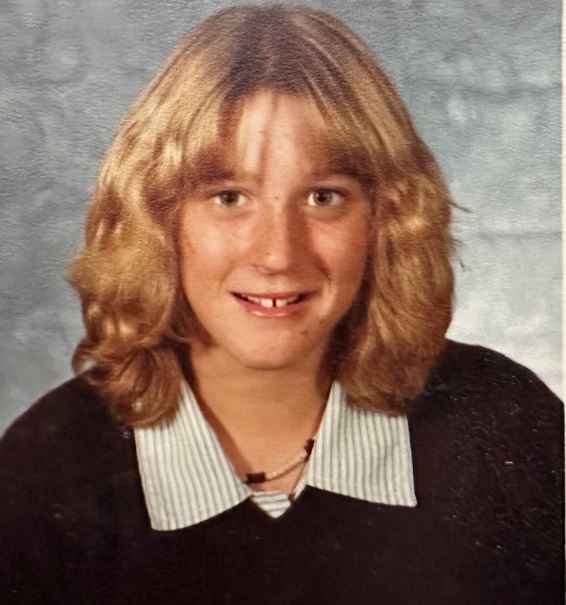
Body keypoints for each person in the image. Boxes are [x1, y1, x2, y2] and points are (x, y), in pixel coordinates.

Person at [0, 4, 562, 604]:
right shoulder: (44, 472)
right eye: (228, 196)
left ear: (386, 219)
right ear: (159, 218)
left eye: (324, 197)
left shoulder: (504, 425)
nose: (276, 254)